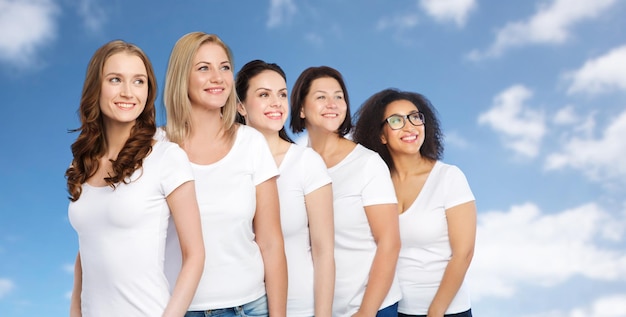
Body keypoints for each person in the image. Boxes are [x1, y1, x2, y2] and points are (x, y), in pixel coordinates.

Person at [66, 40, 205, 317]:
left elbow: (195, 256)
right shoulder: (83, 162)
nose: (128, 92)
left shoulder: (167, 156)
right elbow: (88, 246)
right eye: (115, 79)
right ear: (96, 86)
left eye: (139, 81)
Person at [162, 32, 288, 317]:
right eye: (203, 68)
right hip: (178, 309)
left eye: (225, 67)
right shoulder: (156, 147)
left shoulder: (251, 143)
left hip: (250, 308)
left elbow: (270, 242)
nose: (217, 77)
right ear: (182, 76)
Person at [352, 88, 476, 317]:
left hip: (447, 311)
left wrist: (436, 312)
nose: (409, 126)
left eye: (415, 117)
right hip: (393, 309)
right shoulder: (376, 185)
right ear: (381, 135)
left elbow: (464, 253)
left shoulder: (449, 177)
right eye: (396, 120)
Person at [290, 66, 402, 317]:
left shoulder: (367, 164)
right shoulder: (292, 166)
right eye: (321, 97)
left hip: (370, 308)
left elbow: (390, 243)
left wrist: (366, 312)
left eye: (338, 96)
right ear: (300, 108)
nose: (332, 104)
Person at [235, 60, 335, 317]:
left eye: (281, 94)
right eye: (264, 95)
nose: (276, 103)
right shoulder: (228, 165)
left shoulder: (306, 163)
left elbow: (324, 252)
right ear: (240, 106)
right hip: (238, 305)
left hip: (299, 307)